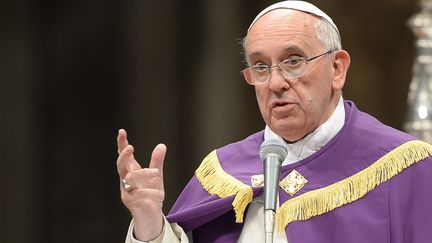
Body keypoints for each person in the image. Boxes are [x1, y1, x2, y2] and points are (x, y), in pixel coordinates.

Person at [116, 1, 432, 242]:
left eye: (293, 61)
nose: (276, 82)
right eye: (260, 66)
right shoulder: (223, 171)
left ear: (337, 68)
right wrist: (149, 223)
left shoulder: (402, 167)